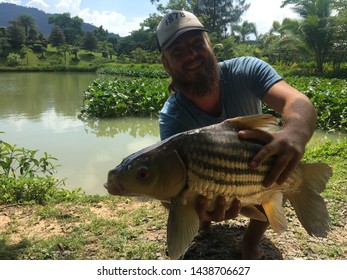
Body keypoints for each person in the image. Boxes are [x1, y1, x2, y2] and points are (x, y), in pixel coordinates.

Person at [156, 11, 317, 259]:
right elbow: (171, 189)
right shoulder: (171, 116)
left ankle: (251, 243)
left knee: (270, 173)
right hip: (209, 174)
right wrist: (192, 209)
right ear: (166, 64)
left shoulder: (247, 69)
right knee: (185, 192)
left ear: (210, 45)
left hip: (257, 165)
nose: (191, 55)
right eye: (177, 52)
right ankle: (204, 223)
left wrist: (294, 132)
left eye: (197, 43)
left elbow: (296, 100)